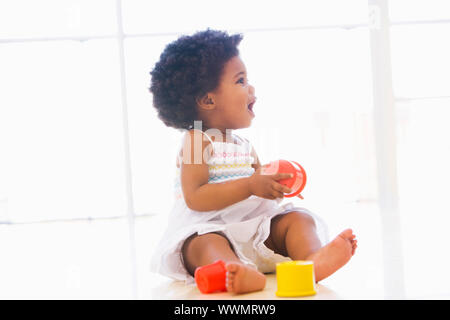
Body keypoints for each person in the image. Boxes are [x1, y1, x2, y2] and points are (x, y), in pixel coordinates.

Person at [149, 29, 357, 294]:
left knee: (298, 219)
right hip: (209, 227)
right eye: (240, 81)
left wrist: (273, 185)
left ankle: (312, 261)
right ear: (208, 100)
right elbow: (195, 197)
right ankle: (235, 272)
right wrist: (250, 185)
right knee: (204, 244)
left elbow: (258, 183)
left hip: (254, 228)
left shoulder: (243, 145)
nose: (252, 89)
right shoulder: (196, 139)